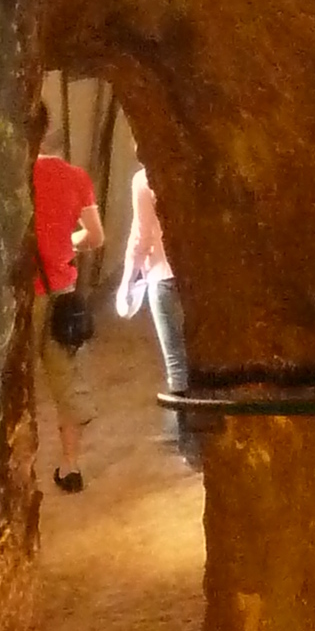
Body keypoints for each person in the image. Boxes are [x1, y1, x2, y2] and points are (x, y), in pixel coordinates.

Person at [30, 137, 105, 492]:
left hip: (20, 297)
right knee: (67, 382)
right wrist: (65, 245)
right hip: (61, 293)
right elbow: (95, 236)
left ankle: (17, 470)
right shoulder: (75, 177)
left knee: (14, 383)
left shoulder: (14, 175)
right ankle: (70, 466)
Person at [115, 161, 197, 469]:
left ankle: (184, 437)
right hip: (197, 278)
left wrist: (127, 282)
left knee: (176, 361)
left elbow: (142, 238)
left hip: (164, 277)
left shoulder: (145, 179)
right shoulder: (190, 168)